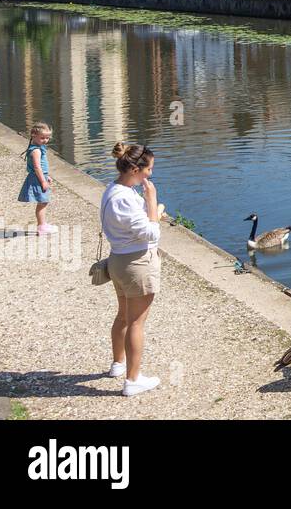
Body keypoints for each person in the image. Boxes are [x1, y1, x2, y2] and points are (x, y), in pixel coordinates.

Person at [101, 143, 166, 397]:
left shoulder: (113, 189)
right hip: (137, 264)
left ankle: (118, 364)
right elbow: (152, 232)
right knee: (137, 322)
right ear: (136, 169)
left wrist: (150, 210)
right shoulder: (127, 199)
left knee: (124, 316)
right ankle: (133, 379)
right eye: (148, 169)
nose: (150, 174)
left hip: (118, 260)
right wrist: (152, 203)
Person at [18, 123, 57, 235]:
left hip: (40, 176)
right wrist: (43, 181)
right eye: (42, 138)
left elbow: (41, 167)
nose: (45, 140)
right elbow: (37, 167)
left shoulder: (39, 147)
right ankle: (41, 226)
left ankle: (43, 224)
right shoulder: (36, 151)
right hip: (37, 178)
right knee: (42, 201)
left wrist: (47, 176)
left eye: (47, 138)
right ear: (33, 135)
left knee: (43, 201)